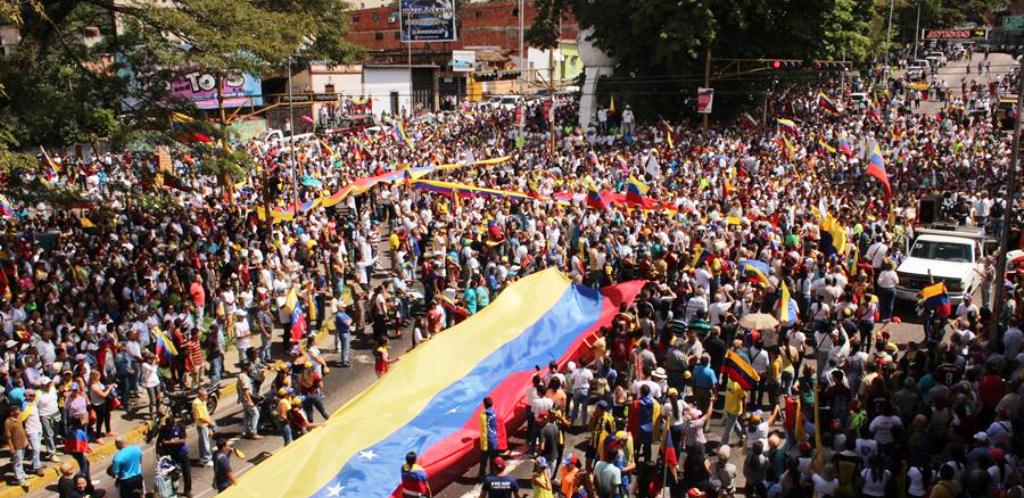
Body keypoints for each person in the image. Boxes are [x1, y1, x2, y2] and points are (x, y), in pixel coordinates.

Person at [156, 413, 192, 497]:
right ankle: (172, 491)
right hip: (171, 454)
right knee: (171, 474)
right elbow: (159, 442)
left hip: (182, 453)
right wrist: (158, 453)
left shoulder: (180, 427)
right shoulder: (164, 430)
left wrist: (169, 442)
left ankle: (187, 491)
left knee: (187, 472)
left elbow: (183, 440)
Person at [478, 396, 507, 478]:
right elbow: (500, 428)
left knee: (483, 458)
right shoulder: (497, 414)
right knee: (493, 459)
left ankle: (481, 474)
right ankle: (492, 474)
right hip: (494, 440)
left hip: (485, 440)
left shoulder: (482, 415)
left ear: (484, 404)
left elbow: (483, 428)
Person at [236, 361, 262, 440]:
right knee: (255, 414)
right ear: (246, 367)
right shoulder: (244, 377)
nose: (251, 367)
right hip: (247, 399)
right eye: (250, 366)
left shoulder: (241, 375)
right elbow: (245, 391)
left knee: (246, 415)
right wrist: (250, 401)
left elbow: (237, 387)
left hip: (243, 399)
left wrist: (239, 397)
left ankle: (247, 431)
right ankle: (254, 433)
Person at [6, 404, 29, 487]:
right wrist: (11, 447)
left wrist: (26, 439)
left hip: (22, 443)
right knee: (17, 463)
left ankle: (22, 474)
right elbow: (8, 437)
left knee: (20, 460)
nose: (19, 411)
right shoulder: (8, 422)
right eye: (17, 410)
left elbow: (22, 429)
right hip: (16, 446)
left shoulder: (18, 418)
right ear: (12, 412)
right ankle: (20, 480)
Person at [193, 388, 215, 467]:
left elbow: (205, 414)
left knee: (202, 442)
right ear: (200, 395)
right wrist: (210, 423)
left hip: (205, 425)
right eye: (205, 395)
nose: (206, 397)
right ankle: (206, 459)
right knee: (205, 443)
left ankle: (203, 457)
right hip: (202, 425)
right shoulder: (197, 404)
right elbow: (200, 417)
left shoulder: (202, 401)